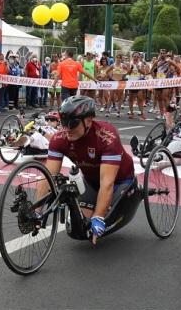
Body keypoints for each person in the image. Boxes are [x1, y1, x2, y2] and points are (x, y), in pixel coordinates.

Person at [43, 96, 136, 244]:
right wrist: (36, 213)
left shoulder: (107, 137)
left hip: (120, 180)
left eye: (72, 123)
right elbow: (48, 177)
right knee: (78, 230)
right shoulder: (58, 139)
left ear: (88, 121)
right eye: (63, 122)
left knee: (101, 223)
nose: (67, 128)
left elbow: (107, 183)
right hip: (91, 181)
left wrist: (98, 217)